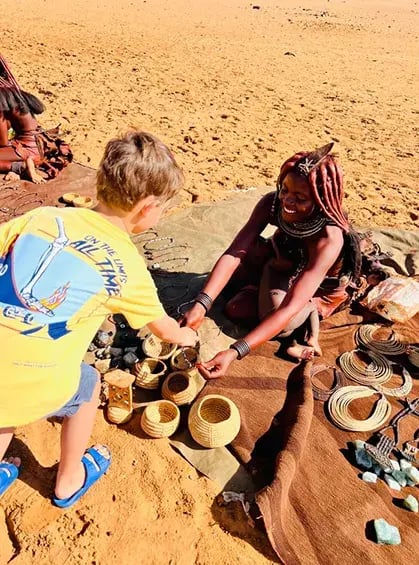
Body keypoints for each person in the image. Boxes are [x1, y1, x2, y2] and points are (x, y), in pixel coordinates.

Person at [0, 130, 197, 506]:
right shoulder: (127, 267)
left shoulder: (41, 218)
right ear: (147, 208)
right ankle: (68, 480)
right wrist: (186, 336)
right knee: (86, 383)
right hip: (29, 380)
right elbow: (164, 329)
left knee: (4, 397)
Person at [183, 143, 361, 378]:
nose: (287, 201)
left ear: (321, 203)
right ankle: (263, 284)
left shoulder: (330, 238)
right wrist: (201, 305)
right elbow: (235, 253)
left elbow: (289, 308)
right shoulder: (273, 203)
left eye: (300, 198)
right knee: (232, 293)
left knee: (275, 321)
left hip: (311, 283)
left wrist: (235, 351)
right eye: (285, 190)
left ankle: (310, 309)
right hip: (281, 260)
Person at [0, 54, 46, 183]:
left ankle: (20, 167)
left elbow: (2, 141)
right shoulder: (12, 90)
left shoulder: (1, 97)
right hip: (40, 143)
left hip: (29, 150)